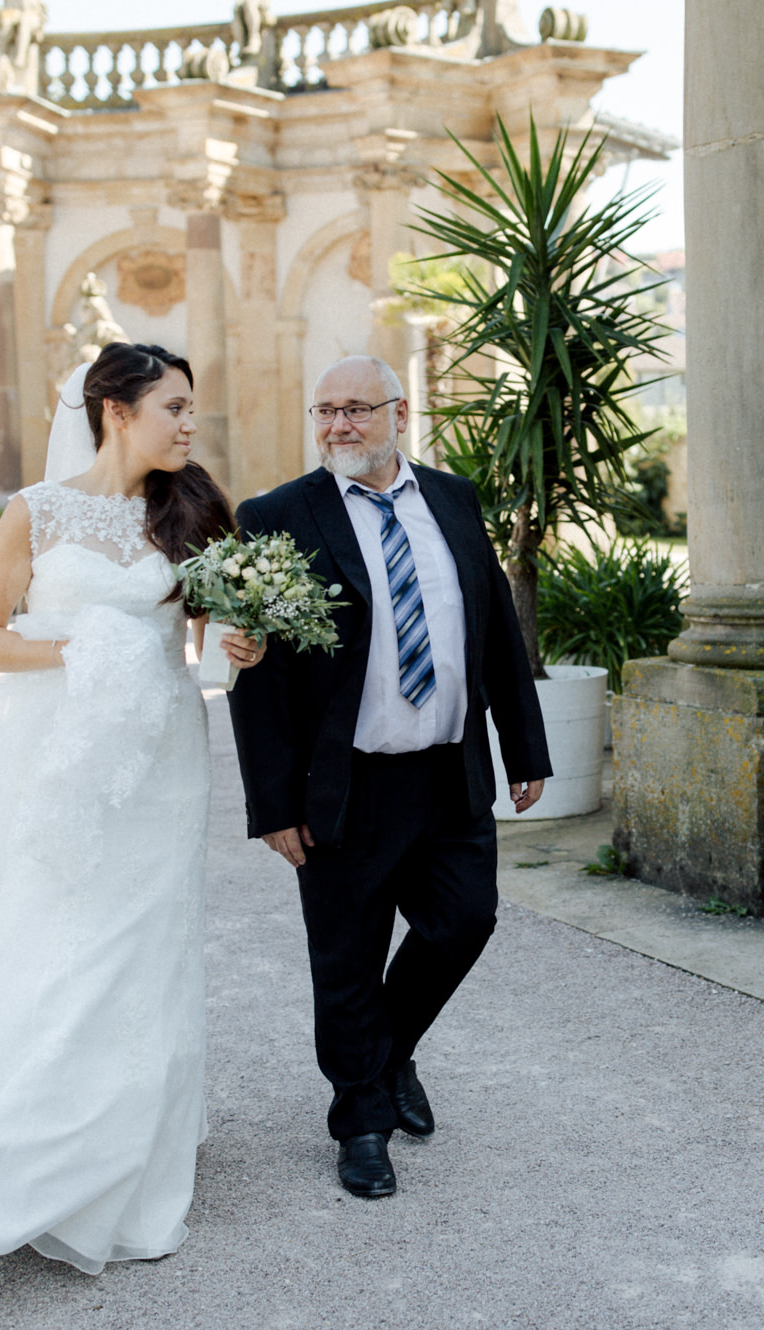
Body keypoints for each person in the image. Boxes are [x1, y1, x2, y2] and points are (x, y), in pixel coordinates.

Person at [0, 343, 264, 1272]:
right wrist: (75, 651)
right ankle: (12, 1141)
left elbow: (209, 646)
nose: (190, 424)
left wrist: (241, 648)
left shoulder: (194, 507)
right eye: (174, 406)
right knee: (52, 940)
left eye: (190, 408)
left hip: (163, 763)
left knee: (147, 947)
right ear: (116, 410)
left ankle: (130, 1141)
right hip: (70, 761)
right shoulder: (35, 512)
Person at [225, 354, 551, 1199]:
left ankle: (386, 1054)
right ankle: (361, 1122)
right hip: (345, 784)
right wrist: (273, 804)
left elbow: (495, 633)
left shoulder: (454, 499)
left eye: (357, 408)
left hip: (448, 772)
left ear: (398, 413)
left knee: (464, 921)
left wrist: (525, 747)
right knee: (347, 957)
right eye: (325, 410)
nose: (339, 424)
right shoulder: (276, 517)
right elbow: (259, 682)